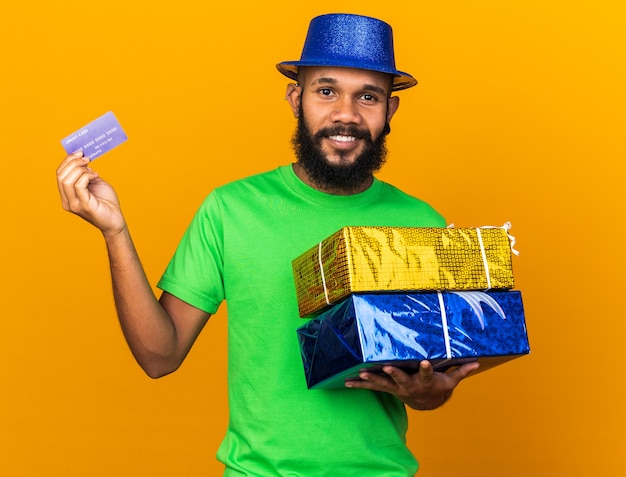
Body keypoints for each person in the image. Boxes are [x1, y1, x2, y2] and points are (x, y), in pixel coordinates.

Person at [56, 13, 479, 477]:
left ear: (389, 112)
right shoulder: (231, 209)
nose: (346, 114)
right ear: (296, 98)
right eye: (326, 90)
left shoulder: (423, 224)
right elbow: (160, 355)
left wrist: (431, 392)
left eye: (369, 97)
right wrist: (115, 231)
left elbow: (433, 379)